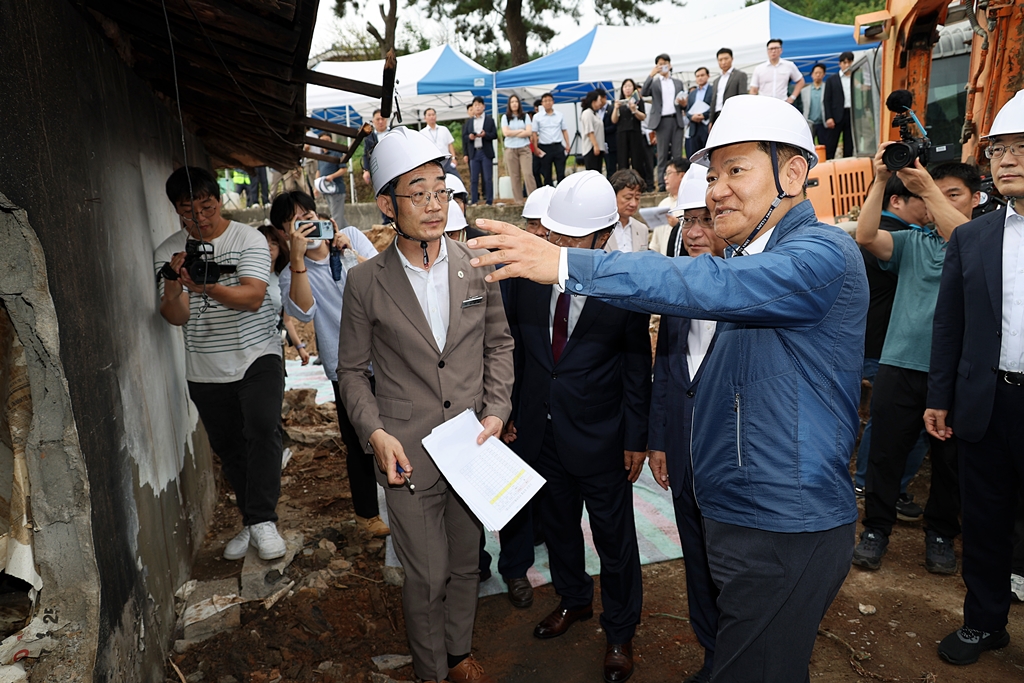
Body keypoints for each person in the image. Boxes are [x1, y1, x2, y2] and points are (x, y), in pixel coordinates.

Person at [466, 94, 868, 681]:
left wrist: (565, 266)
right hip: (740, 514)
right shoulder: (754, 259)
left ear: (793, 172)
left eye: (737, 170)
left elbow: (701, 283)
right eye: (713, 173)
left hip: (783, 524)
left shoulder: (822, 254)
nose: (717, 189)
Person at [337, 127, 514, 683]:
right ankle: (431, 670)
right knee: (427, 574)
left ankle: (458, 653)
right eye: (419, 193)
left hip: (470, 445)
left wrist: (496, 409)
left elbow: (500, 344)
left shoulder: (475, 264)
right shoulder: (366, 282)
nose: (435, 205)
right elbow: (349, 371)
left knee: (466, 564)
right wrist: (375, 433)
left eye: (441, 191)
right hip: (405, 453)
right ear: (388, 204)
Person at [502, 171, 650, 683]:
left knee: (615, 539)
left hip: (603, 439)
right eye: (553, 233)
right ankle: (573, 600)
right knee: (559, 528)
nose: (557, 245)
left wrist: (636, 437)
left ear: (603, 238)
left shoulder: (623, 286)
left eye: (570, 238)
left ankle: (620, 631)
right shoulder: (527, 278)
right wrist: (512, 413)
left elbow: (637, 369)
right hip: (541, 435)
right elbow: (517, 353)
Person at [925, 89, 1024, 666]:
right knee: (983, 522)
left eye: (1019, 149)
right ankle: (984, 623)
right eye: (998, 151)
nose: (1006, 160)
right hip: (987, 404)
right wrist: (939, 398)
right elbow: (950, 326)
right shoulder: (971, 236)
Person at [853, 153, 980, 575]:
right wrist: (879, 180)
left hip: (956, 373)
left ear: (976, 199)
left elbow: (969, 241)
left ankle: (941, 533)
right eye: (932, 194)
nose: (935, 202)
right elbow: (866, 235)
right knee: (886, 453)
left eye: (953, 195)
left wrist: (926, 186)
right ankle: (876, 529)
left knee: (949, 461)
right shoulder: (913, 243)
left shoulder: (983, 243)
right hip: (899, 364)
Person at [154, 167, 287, 561]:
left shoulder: (248, 239)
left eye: (207, 207)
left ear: (218, 200)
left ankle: (264, 520)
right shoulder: (169, 251)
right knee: (230, 447)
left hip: (257, 353)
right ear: (176, 210)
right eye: (188, 211)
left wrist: (206, 287)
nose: (201, 219)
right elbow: (176, 316)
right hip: (204, 364)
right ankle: (253, 523)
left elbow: (252, 297)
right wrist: (175, 282)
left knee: (262, 428)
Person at [268, 192, 388, 538]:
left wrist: (348, 250)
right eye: (297, 221)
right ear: (285, 232)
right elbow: (303, 312)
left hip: (388, 357)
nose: (308, 223)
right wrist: (299, 258)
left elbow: (389, 282)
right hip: (346, 365)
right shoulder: (293, 272)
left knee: (404, 428)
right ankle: (368, 515)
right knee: (359, 440)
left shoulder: (352, 237)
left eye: (309, 214)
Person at [648, 163, 727, 683]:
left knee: (733, 568)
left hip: (733, 463)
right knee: (695, 560)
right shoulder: (676, 290)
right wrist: (659, 442)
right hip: (683, 453)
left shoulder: (755, 292)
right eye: (687, 221)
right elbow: (665, 374)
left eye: (705, 220)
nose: (694, 232)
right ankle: (712, 650)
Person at [852, 174, 931, 510]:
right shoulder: (901, 238)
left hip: (866, 339)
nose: (929, 207)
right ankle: (871, 483)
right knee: (892, 420)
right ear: (896, 200)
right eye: (921, 198)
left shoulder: (895, 234)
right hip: (883, 346)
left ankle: (869, 482)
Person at [256, 224, 308, 367]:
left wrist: (299, 347)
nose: (270, 248)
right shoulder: (245, 277)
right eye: (264, 243)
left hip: (272, 346)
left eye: (274, 243)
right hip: (247, 345)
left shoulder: (283, 279)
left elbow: (286, 319)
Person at [641, 54, 687, 192]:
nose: (663, 66)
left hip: (676, 119)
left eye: (665, 63)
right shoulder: (655, 83)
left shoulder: (678, 82)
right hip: (661, 121)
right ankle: (662, 183)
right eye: (660, 64)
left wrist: (684, 103)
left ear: (670, 65)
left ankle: (680, 182)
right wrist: (652, 74)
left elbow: (684, 104)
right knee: (662, 154)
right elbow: (643, 92)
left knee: (677, 153)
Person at [611, 79, 650, 183]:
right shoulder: (618, 102)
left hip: (635, 132)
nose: (627, 89)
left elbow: (643, 117)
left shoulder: (638, 101)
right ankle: (623, 182)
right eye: (625, 87)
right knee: (622, 160)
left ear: (634, 88)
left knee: (637, 159)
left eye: (629, 86)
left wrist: (634, 110)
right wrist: (616, 108)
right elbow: (614, 120)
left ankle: (639, 182)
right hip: (621, 133)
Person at [649, 157, 689, 256]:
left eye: (669, 173)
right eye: (665, 174)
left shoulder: (690, 203)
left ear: (682, 175)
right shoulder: (663, 204)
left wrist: (678, 226)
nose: (665, 178)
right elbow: (655, 243)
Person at [501, 94, 537, 203]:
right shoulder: (505, 117)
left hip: (524, 148)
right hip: (510, 149)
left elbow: (529, 132)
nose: (514, 104)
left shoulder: (525, 116)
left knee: (528, 174)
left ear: (519, 103)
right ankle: (519, 202)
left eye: (516, 101)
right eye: (512, 102)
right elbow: (506, 133)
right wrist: (521, 131)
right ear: (509, 104)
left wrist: (514, 133)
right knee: (514, 176)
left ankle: (533, 200)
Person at [749, 38, 805, 105]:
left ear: (781, 50)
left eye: (776, 48)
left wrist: (792, 97)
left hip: (782, 103)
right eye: (771, 49)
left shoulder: (789, 65)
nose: (773, 51)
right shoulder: (759, 68)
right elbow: (754, 89)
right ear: (767, 51)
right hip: (764, 104)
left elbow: (800, 81)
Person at [464, 96, 498, 205]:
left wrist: (485, 135)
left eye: (479, 105)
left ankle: (489, 201)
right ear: (472, 108)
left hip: (485, 151)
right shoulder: (469, 122)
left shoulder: (489, 120)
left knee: (487, 177)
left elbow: (495, 135)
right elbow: (464, 137)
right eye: (475, 105)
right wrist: (470, 137)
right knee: (474, 178)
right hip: (474, 152)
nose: (477, 107)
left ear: (483, 106)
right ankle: (474, 200)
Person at [823, 52, 855, 160]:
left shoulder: (856, 77)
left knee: (849, 143)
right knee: (831, 144)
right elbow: (827, 100)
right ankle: (829, 164)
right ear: (840, 64)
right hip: (836, 115)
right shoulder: (832, 79)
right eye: (844, 62)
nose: (847, 65)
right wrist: (829, 117)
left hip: (852, 113)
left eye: (849, 62)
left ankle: (848, 164)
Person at [607, 169, 649, 254]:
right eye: (628, 198)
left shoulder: (642, 229)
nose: (633, 204)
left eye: (637, 198)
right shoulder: (600, 228)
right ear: (613, 196)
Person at [533, 93, 570, 187]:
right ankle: (548, 195)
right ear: (542, 103)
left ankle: (561, 192)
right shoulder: (537, 117)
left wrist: (567, 144)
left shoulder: (559, 115)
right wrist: (535, 148)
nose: (547, 103)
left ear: (553, 102)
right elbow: (534, 133)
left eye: (549, 100)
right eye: (545, 101)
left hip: (557, 146)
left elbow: (564, 130)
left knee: (561, 172)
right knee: (547, 174)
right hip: (545, 147)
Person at [315, 131, 348, 227]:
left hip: (336, 189)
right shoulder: (320, 155)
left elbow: (344, 168)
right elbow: (318, 171)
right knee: (338, 215)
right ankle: (349, 233)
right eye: (322, 141)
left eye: (327, 140)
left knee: (336, 216)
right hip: (326, 189)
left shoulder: (336, 152)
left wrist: (332, 176)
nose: (325, 142)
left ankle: (338, 236)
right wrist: (316, 187)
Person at [709, 48, 748, 126]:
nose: (723, 62)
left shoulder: (740, 75)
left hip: (732, 114)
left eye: (726, 59)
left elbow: (742, 96)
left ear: (732, 59)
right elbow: (714, 101)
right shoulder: (716, 80)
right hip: (717, 116)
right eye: (720, 60)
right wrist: (711, 121)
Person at [419, 108, 458, 175]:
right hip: (432, 163)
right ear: (425, 118)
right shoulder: (422, 133)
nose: (432, 117)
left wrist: (453, 158)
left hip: (447, 161)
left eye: (433, 114)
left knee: (456, 179)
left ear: (436, 116)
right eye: (429, 115)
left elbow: (450, 144)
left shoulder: (444, 129)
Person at [686, 67, 713, 157]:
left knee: (708, 154)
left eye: (702, 75)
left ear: (708, 76)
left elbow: (715, 106)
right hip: (694, 128)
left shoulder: (713, 90)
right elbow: (687, 110)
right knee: (695, 155)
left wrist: (704, 115)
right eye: (697, 76)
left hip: (707, 126)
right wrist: (692, 117)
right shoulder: (692, 93)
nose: (700, 78)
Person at [580, 89, 608, 173]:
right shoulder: (587, 113)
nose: (600, 103)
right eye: (599, 100)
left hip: (598, 148)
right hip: (591, 148)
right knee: (593, 172)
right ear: (593, 101)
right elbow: (589, 131)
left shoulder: (595, 113)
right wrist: (595, 145)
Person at [360, 109, 390, 188]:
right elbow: (366, 155)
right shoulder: (368, 138)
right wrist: (366, 170)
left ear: (386, 120)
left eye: (382, 119)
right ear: (373, 121)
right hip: (377, 172)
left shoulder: (394, 133)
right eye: (378, 119)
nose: (380, 122)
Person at [803, 64, 827, 147]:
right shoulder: (804, 91)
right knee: (809, 146)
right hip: (809, 122)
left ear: (824, 74)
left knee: (824, 146)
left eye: (820, 73)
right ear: (812, 74)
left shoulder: (827, 88)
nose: (818, 75)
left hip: (823, 123)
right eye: (816, 73)